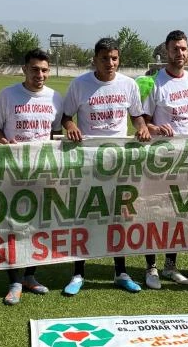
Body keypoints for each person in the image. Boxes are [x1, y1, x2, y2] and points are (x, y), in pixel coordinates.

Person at [61, 37, 151, 295]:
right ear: (95, 60)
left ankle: (120, 272)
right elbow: (66, 117)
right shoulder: (80, 84)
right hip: (88, 161)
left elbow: (137, 116)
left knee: (118, 217)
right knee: (85, 215)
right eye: (104, 58)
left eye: (114, 58)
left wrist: (142, 128)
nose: (110, 63)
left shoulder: (129, 85)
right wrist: (72, 126)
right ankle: (78, 273)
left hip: (120, 161)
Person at [0, 49, 63, 305]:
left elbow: (55, 136)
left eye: (44, 70)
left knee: (38, 226)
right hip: (13, 172)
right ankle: (13, 281)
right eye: (34, 69)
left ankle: (30, 276)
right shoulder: (7, 95)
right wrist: (4, 143)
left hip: (42, 172)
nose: (40, 75)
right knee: (13, 226)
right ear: (24, 69)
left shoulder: (56, 98)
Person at [141, 30, 188, 289]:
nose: (180, 54)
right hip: (158, 158)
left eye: (184, 49)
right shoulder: (155, 82)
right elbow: (143, 121)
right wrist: (155, 129)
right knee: (154, 212)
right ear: (166, 50)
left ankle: (170, 266)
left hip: (184, 158)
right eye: (175, 49)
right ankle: (151, 267)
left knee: (177, 212)